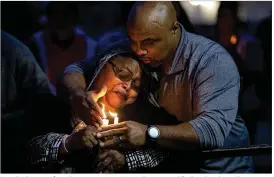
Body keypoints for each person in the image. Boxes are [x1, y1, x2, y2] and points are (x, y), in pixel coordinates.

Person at [59, 2, 254, 173]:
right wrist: (77, 94)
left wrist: (148, 133)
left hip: (223, 167)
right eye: (132, 40)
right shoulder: (136, 44)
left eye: (148, 42)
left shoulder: (211, 61)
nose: (138, 50)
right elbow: (76, 68)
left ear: (174, 29)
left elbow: (210, 131)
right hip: (176, 164)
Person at [27, 35, 144, 173]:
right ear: (100, 68)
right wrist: (70, 142)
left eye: (136, 86)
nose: (128, 86)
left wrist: (124, 161)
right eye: (123, 75)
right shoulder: (59, 106)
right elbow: (28, 154)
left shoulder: (134, 129)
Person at [27, 2, 97, 94]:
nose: (60, 20)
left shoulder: (91, 46)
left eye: (65, 14)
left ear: (75, 17)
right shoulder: (36, 44)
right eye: (54, 14)